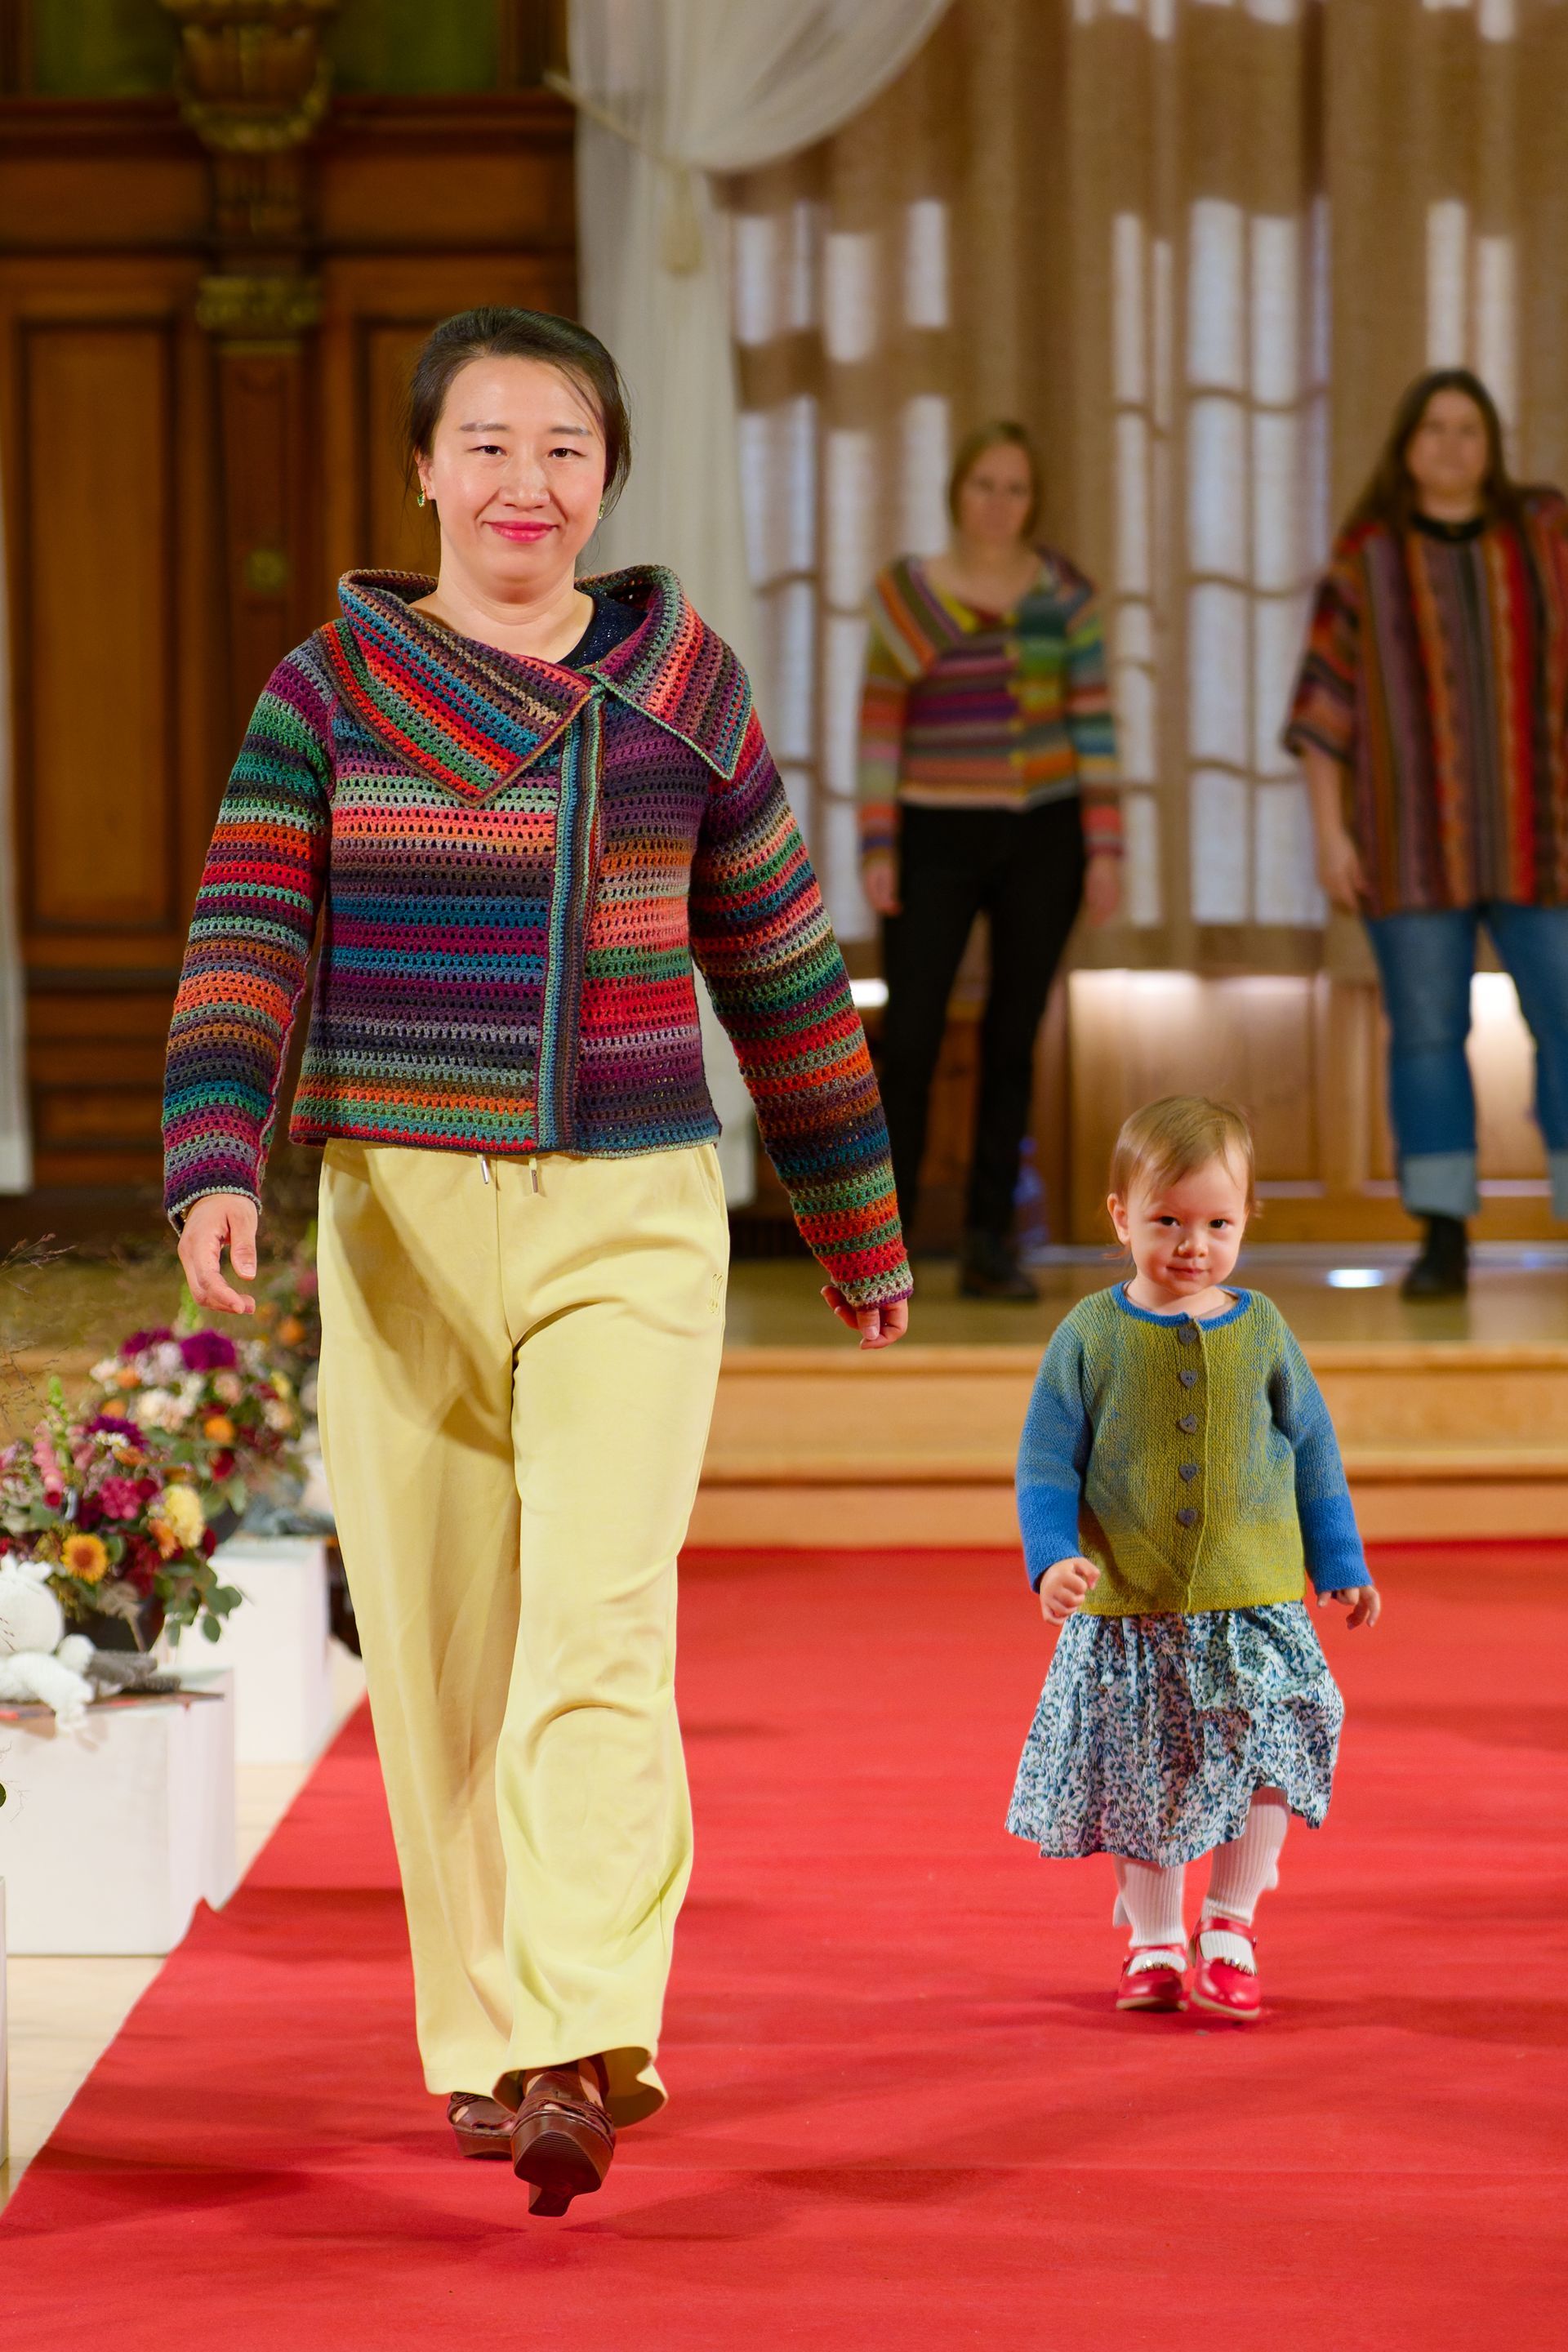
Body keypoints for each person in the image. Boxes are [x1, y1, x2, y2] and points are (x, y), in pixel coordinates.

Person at [163, 306, 911, 2216]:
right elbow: (248, 932)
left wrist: (852, 1212)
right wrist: (213, 1161)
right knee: (437, 1656)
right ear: (424, 470)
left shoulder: (684, 687)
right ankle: (489, 2043)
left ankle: (582, 2029)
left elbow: (783, 967)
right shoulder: (328, 690)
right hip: (400, 1219)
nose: (523, 481)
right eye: (486, 443)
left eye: (562, 447)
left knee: (601, 1621)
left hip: (631, 1207)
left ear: (607, 479)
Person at [1004, 1097, 1379, 2021]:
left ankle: (1231, 1924)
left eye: (1217, 1222)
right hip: (1132, 1611)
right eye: (1166, 1220)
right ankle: (1154, 1941)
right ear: (1120, 1216)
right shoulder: (1090, 1334)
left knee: (1267, 1753)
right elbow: (1047, 1461)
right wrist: (1052, 1558)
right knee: (1145, 1772)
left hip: (1252, 1602)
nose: (1191, 1244)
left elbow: (1315, 1451)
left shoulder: (1263, 1331)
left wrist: (1341, 1560)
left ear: (1248, 1218)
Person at [1285, 368, 1568, 1299]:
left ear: (1492, 446)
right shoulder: (1366, 558)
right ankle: (1444, 1231)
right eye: (1434, 428)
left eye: (1468, 430)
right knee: (1425, 1037)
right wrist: (1332, 836)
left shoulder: (1546, 538)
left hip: (1545, 837)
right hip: (1410, 845)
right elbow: (1323, 710)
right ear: (1407, 445)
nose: (1451, 446)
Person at [857, 421, 1122, 1302]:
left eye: (1016, 488)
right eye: (985, 485)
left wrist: (1106, 848)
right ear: (957, 494)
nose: (1000, 503)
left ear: (1033, 502)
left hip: (1044, 838)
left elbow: (1094, 726)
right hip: (933, 835)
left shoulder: (1065, 598)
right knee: (918, 1040)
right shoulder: (911, 597)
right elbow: (879, 724)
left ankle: (988, 1241)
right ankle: (880, 1255)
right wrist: (877, 842)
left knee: (1014, 1042)